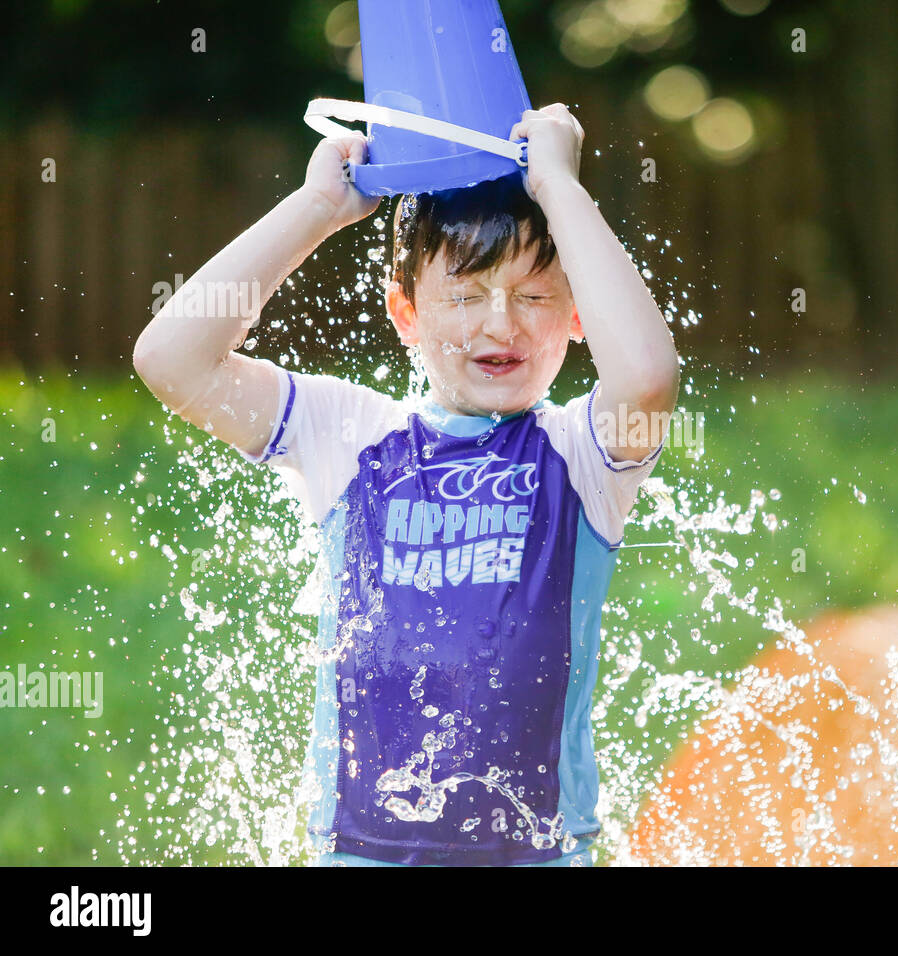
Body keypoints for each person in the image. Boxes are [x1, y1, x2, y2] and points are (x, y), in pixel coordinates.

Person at [132, 104, 680, 866]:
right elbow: (172, 360)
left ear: (577, 314)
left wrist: (557, 184)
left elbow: (649, 375)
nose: (501, 326)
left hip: (539, 852)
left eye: (533, 296)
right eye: (464, 295)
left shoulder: (579, 455)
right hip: (362, 852)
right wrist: (316, 209)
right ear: (405, 314)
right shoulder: (349, 435)